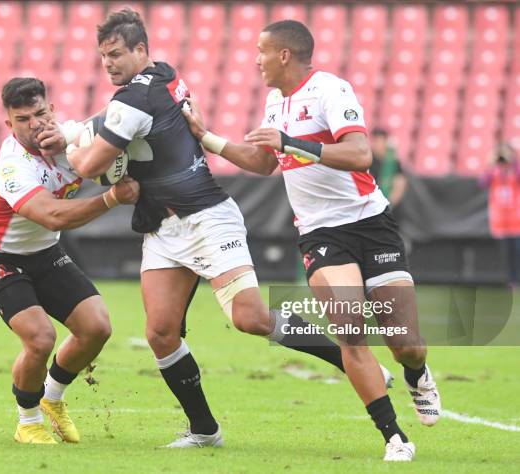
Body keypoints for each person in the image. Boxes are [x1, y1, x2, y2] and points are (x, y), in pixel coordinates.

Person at [56, 9, 393, 449]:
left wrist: (70, 144)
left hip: (207, 216)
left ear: (141, 50)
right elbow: (120, 113)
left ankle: (349, 360)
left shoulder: (136, 97)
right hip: (163, 225)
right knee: (159, 333)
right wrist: (84, 129)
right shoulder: (163, 76)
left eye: (116, 53)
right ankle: (204, 431)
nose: (109, 63)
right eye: (103, 56)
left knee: (249, 318)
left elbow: (93, 164)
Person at [182, 20, 442, 461]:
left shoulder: (330, 91)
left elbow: (360, 154)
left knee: (406, 343)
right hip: (319, 233)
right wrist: (207, 138)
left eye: (262, 50)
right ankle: (393, 436)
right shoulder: (274, 102)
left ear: (284, 54)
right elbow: (265, 164)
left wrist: (291, 141)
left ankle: (416, 372)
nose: (255, 59)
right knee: (350, 333)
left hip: (369, 222)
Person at [0, 77, 139, 444]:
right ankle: (27, 421)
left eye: (40, 113)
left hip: (43, 251)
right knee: (41, 339)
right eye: (23, 119)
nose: (35, 125)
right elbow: (53, 216)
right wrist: (111, 199)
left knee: (97, 328)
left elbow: (122, 120)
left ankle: (52, 399)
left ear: (53, 111)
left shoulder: (72, 137)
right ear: (9, 124)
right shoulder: (12, 166)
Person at [479, 142, 520, 285]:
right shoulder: (494, 172)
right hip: (500, 220)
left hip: (516, 220)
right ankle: (510, 280)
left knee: (517, 250)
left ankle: (516, 279)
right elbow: (483, 182)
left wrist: (513, 162)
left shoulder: (515, 170)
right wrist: (490, 163)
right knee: (505, 253)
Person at [369, 127, 407, 208]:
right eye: (374, 140)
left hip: (388, 205)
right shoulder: (369, 159)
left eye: (378, 140)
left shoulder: (392, 162)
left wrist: (389, 204)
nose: (375, 144)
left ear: (385, 141)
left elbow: (400, 183)